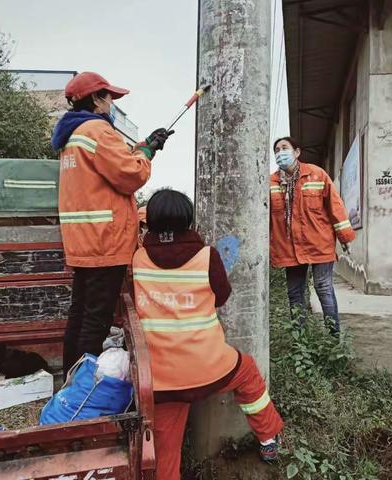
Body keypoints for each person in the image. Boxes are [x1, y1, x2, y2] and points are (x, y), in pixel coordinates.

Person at [132, 189, 284, 480]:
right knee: (248, 371)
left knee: (165, 453)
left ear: (149, 221)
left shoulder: (138, 259)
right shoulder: (207, 256)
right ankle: (268, 437)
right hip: (210, 367)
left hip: (161, 378)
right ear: (189, 220)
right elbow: (222, 296)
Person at [51, 71, 174, 376]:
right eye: (109, 98)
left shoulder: (72, 135)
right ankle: (81, 392)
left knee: (79, 314)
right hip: (105, 241)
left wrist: (146, 144)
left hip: (83, 241)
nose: (112, 105)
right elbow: (131, 175)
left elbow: (109, 168)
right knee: (96, 320)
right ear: (95, 99)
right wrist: (147, 154)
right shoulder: (98, 130)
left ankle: (68, 381)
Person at [270, 136, 356, 333]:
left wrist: (345, 237)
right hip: (289, 248)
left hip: (319, 243)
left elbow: (336, 207)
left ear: (297, 152)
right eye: (276, 150)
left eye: (284, 148)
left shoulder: (317, 175)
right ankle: (300, 340)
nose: (280, 152)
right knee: (294, 293)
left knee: (323, 288)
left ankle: (333, 339)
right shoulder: (271, 183)